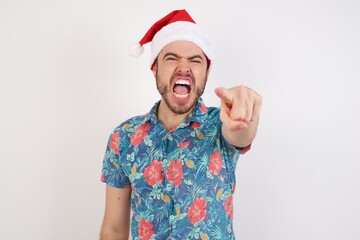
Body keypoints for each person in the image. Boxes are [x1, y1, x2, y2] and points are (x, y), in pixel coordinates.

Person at [100, 9, 262, 240]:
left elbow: (240, 136)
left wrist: (244, 118)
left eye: (195, 60)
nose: (183, 67)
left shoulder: (220, 125)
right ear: (155, 69)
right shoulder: (123, 137)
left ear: (206, 72)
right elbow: (114, 229)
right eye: (172, 57)